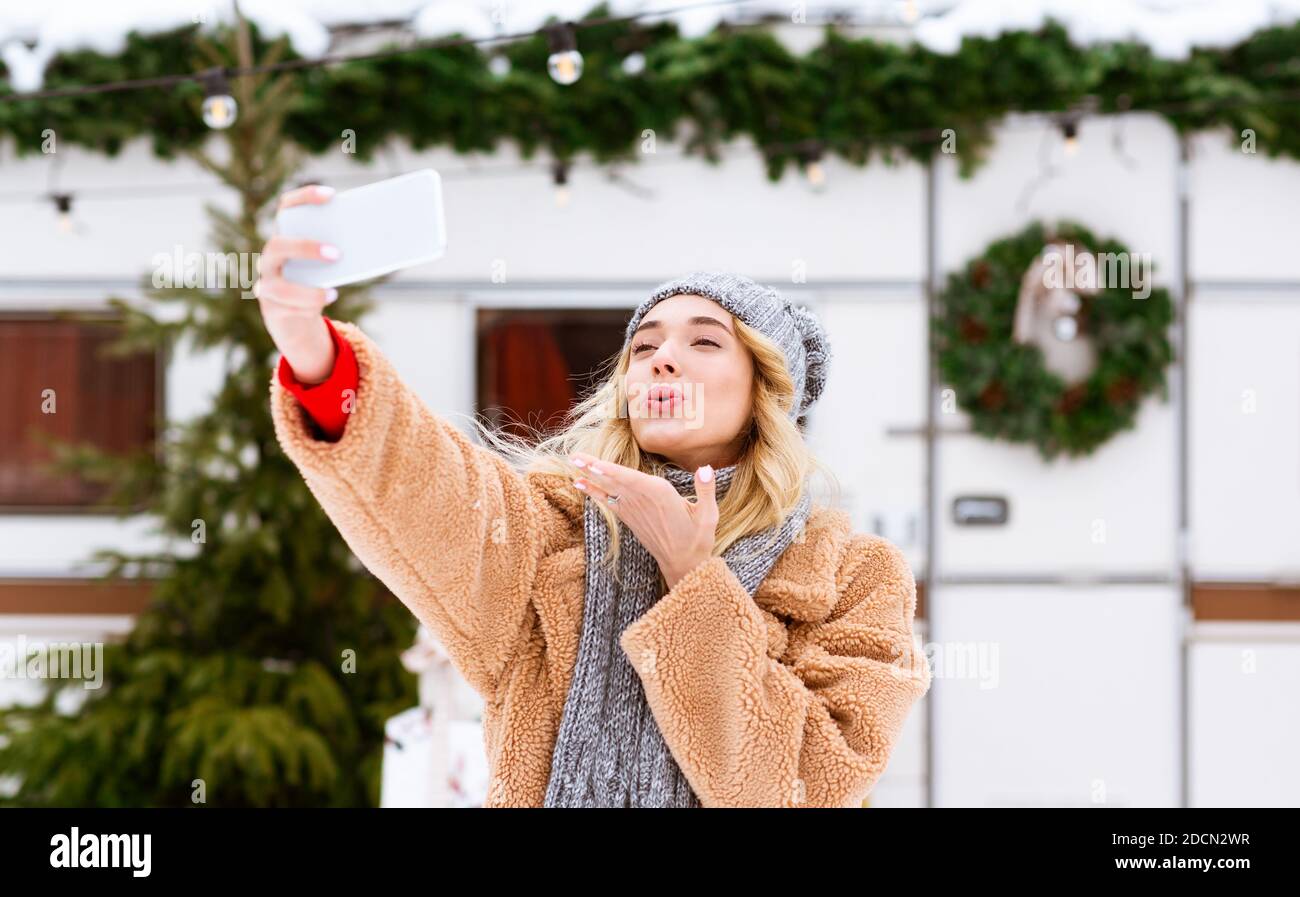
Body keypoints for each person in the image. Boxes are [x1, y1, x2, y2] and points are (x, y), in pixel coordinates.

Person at [256, 183, 932, 808]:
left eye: (704, 340)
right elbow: (424, 488)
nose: (663, 357)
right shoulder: (550, 527)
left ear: (764, 391)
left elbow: (795, 786)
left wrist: (693, 580)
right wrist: (315, 355)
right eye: (644, 346)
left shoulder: (854, 577)